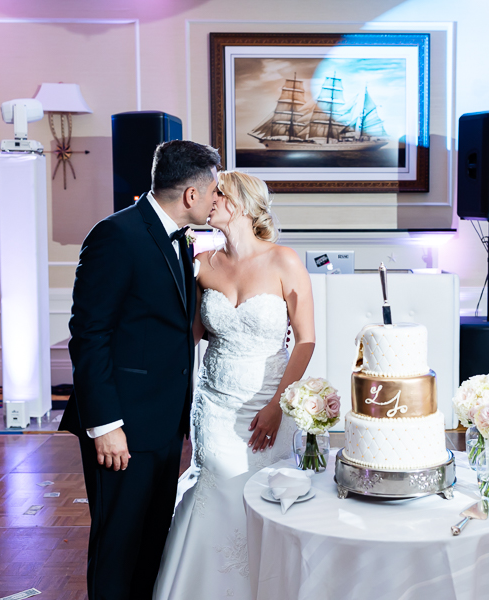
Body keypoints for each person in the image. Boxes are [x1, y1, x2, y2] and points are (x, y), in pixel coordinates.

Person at [60, 140, 222, 599]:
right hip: (123, 426)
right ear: (191, 195)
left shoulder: (183, 239)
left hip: (164, 424)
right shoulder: (117, 235)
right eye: (213, 190)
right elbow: (90, 335)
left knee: (152, 542)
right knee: (119, 545)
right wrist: (106, 426)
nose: (216, 199)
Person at [153, 170, 315, 599]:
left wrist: (279, 405)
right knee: (216, 489)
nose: (209, 200)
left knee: (262, 494)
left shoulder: (284, 261)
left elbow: (306, 339)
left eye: (218, 194)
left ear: (241, 203)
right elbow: (186, 335)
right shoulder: (202, 262)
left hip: (267, 403)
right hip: (215, 406)